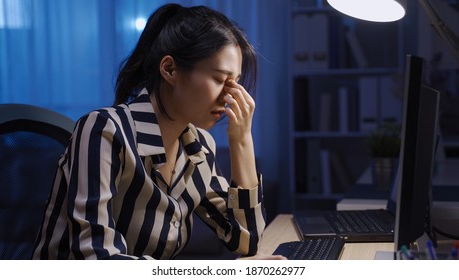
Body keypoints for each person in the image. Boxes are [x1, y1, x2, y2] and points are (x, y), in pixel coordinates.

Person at [32, 3, 284, 260]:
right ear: (169, 69)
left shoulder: (199, 148)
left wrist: (242, 140)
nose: (230, 97)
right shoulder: (104, 130)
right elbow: (97, 259)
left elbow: (246, 241)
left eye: (236, 83)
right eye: (220, 79)